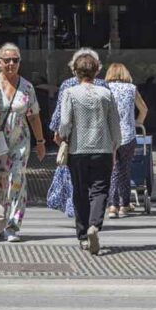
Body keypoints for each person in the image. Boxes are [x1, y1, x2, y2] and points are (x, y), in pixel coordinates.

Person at [55, 52, 122, 255]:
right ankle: (95, 225)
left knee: (80, 192)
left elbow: (65, 122)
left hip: (78, 150)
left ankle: (83, 235)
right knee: (100, 190)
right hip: (102, 149)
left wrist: (62, 135)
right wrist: (115, 146)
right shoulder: (106, 93)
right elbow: (115, 125)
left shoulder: (71, 93)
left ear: (75, 71)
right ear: (97, 71)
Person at [0, 43, 46, 242]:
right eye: (7, 60)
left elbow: (34, 116)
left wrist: (40, 142)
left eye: (16, 60)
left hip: (20, 140)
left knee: (16, 180)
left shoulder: (27, 87)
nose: (12, 64)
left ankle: (12, 225)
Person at [46, 49, 109, 218]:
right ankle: (93, 219)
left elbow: (60, 114)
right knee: (96, 183)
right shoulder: (103, 86)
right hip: (100, 142)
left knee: (76, 182)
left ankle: (80, 217)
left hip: (75, 141)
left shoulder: (68, 85)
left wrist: (58, 134)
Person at [105, 63, 148, 218]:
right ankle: (124, 205)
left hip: (110, 135)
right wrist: (138, 122)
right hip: (128, 135)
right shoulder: (131, 88)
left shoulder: (105, 88)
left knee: (113, 169)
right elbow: (144, 109)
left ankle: (112, 206)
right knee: (125, 169)